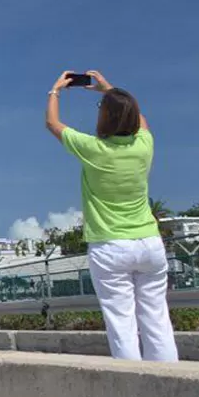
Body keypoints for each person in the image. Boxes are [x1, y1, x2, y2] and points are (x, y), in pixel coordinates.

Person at [47, 70, 178, 362]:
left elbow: (52, 124)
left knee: (122, 324)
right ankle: (170, 377)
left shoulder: (94, 149)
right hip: (149, 242)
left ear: (104, 118)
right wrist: (110, 91)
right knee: (157, 319)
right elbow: (140, 120)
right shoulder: (144, 146)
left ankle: (133, 388)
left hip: (110, 246)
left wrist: (55, 91)